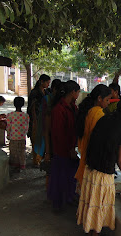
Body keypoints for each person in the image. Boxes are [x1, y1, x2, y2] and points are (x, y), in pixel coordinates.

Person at [77, 98, 121, 236]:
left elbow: (103, 144)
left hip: (91, 170)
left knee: (91, 202)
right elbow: (120, 161)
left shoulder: (104, 119)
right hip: (104, 175)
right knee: (100, 206)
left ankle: (90, 233)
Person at [48, 80, 79, 213]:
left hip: (72, 148)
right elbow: (58, 133)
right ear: (73, 92)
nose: (78, 94)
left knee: (71, 176)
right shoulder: (59, 109)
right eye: (78, 92)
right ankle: (57, 204)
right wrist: (69, 149)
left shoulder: (72, 107)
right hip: (62, 150)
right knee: (59, 178)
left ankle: (69, 198)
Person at [74, 84, 111, 191]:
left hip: (85, 150)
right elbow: (98, 138)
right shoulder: (97, 113)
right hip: (92, 153)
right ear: (99, 98)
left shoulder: (89, 110)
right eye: (107, 100)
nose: (108, 103)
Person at [41, 79, 62, 189]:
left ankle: (50, 188)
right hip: (52, 138)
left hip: (52, 138)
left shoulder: (51, 101)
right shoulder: (51, 103)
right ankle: (49, 188)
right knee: (51, 166)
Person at [27, 74, 51, 166]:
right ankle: (36, 160)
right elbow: (32, 108)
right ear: (42, 81)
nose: (48, 85)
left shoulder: (45, 92)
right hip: (36, 119)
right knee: (35, 138)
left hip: (43, 118)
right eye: (47, 83)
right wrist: (34, 120)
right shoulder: (35, 93)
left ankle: (40, 158)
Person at [6, 97, 30, 171]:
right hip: (22, 137)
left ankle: (15, 165)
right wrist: (24, 134)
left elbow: (8, 126)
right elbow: (27, 126)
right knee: (21, 151)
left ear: (14, 104)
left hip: (13, 137)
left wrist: (8, 135)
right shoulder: (26, 116)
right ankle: (21, 165)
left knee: (13, 152)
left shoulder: (10, 115)